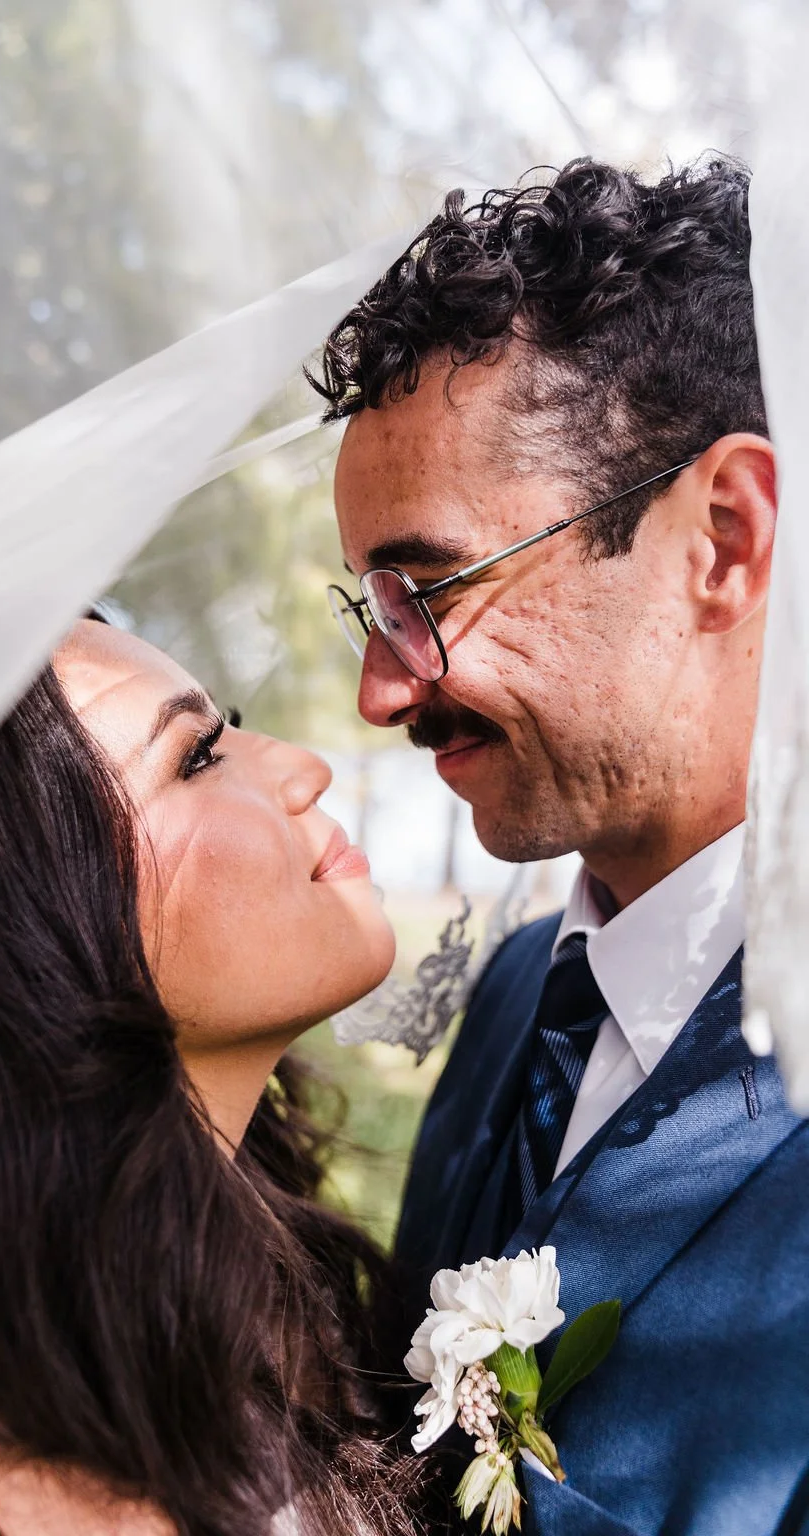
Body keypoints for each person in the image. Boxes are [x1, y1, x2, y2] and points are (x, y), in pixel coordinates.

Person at [314, 156, 809, 1534]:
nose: (381, 689)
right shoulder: (515, 999)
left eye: (432, 590)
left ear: (723, 538)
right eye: (374, 614)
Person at [0, 617, 420, 1536]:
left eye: (229, 724)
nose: (303, 766)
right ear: (18, 937)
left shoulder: (255, 1283)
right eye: (198, 756)